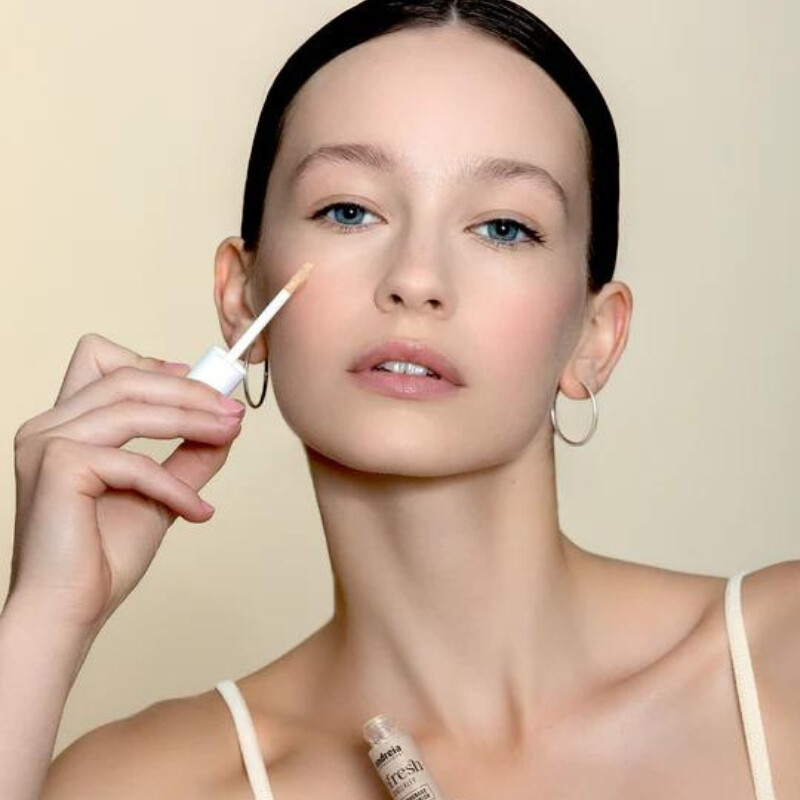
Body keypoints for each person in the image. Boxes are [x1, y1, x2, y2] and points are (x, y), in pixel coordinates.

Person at [2, 1, 797, 798]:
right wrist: (45, 621)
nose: (415, 280)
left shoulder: (778, 660)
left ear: (595, 336)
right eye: (349, 211)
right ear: (243, 299)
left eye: (504, 227)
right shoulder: (147, 783)